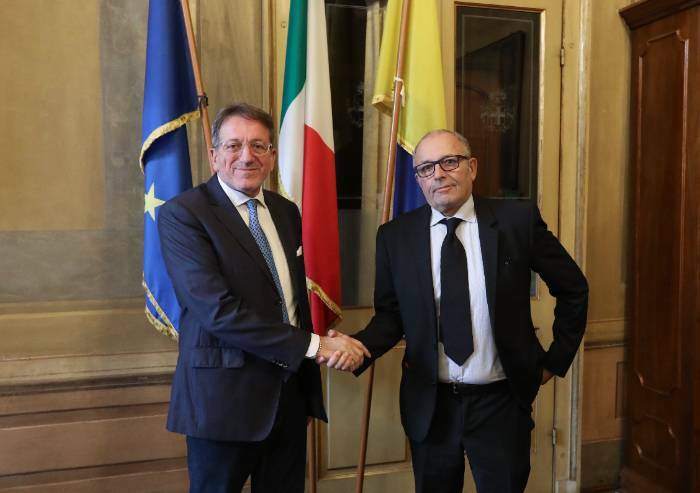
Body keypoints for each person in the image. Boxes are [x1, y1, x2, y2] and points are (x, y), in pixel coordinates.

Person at [346, 129, 588, 492]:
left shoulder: (516, 221)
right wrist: (358, 347)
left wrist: (555, 360)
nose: (438, 174)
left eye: (449, 162)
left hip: (501, 403)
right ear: (418, 179)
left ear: (471, 167)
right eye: (426, 168)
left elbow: (573, 288)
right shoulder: (396, 236)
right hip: (432, 406)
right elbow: (391, 316)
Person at [158, 103, 369, 493]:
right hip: (223, 402)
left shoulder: (286, 212)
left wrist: (319, 347)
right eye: (234, 145)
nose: (246, 156)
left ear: (272, 156)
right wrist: (315, 346)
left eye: (258, 146)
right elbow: (219, 312)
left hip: (289, 396)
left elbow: (288, 302)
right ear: (214, 155)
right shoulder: (184, 215)